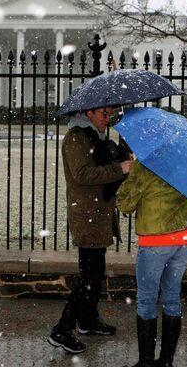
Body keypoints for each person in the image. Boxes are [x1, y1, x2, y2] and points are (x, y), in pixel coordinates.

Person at [47, 106, 132, 354]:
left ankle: (87, 320)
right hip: (87, 215)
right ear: (90, 112)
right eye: (104, 113)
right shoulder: (77, 137)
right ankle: (62, 330)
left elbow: (110, 164)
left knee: (95, 272)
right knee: (88, 275)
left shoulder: (96, 136)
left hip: (100, 213)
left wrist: (124, 147)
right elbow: (82, 174)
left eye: (111, 114)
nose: (108, 118)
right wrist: (121, 169)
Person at [116, 159, 187, 367]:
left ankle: (146, 361)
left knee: (146, 299)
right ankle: (166, 361)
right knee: (172, 297)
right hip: (185, 237)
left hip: (156, 238)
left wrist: (131, 176)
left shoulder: (147, 164)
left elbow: (125, 203)